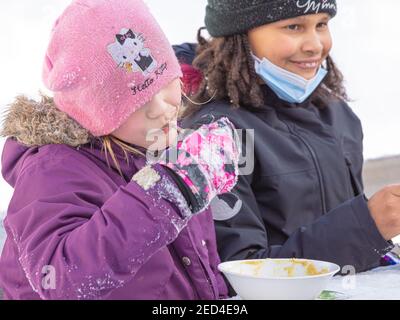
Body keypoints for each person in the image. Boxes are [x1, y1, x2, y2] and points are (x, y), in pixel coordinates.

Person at [0, 0, 240, 300]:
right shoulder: (51, 171)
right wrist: (168, 193)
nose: (162, 107)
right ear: (94, 112)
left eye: (165, 81)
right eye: (138, 101)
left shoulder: (160, 148)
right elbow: (57, 279)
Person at [175, 0, 400, 284]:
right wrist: (368, 226)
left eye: (321, 24)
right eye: (293, 26)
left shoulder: (338, 115)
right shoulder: (213, 137)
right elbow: (241, 275)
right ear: (239, 34)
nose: (315, 45)